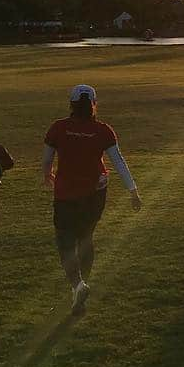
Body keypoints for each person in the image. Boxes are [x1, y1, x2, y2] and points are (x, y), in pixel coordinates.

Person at [42, 84, 142, 315]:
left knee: (65, 242)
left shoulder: (58, 128)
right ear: (94, 105)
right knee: (85, 237)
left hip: (65, 193)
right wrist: (133, 192)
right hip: (95, 195)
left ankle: (78, 285)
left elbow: (47, 158)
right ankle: (82, 286)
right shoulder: (103, 131)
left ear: (71, 105)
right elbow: (119, 162)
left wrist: (47, 174)